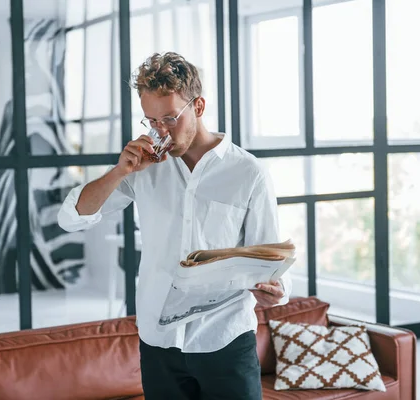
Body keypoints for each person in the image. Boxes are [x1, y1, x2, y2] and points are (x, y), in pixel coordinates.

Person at [58, 52, 292, 400]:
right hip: (159, 342)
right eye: (151, 120)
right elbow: (71, 218)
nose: (160, 130)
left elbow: (267, 258)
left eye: (169, 118)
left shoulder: (248, 172)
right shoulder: (143, 167)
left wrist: (273, 290)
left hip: (225, 340)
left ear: (198, 106)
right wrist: (120, 171)